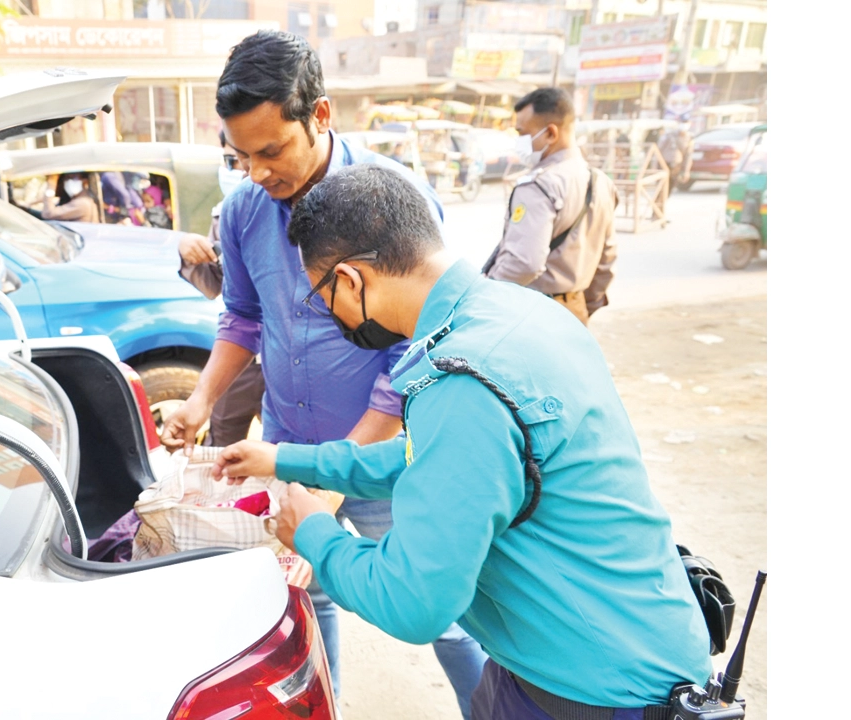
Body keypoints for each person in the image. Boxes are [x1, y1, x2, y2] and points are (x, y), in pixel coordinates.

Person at [213, 163, 714, 719]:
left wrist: (314, 533)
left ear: (351, 280)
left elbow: (413, 602)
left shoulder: (464, 381)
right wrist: (286, 459)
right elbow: (434, 460)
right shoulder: (518, 312)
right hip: (594, 647)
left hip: (594, 690)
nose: (328, 314)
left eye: (320, 297)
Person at [157, 29, 488, 716]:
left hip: (389, 454)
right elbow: (242, 317)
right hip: (289, 447)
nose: (256, 173)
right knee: (308, 595)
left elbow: (413, 351)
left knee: (449, 614)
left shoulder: (392, 200)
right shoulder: (244, 209)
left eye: (271, 150)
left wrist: (340, 473)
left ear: (321, 115)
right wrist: (200, 400)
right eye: (240, 156)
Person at [483, 87, 618, 326]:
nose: (519, 142)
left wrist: (487, 295)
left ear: (550, 133)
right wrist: (583, 304)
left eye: (522, 133)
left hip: (534, 313)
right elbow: (606, 259)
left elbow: (524, 263)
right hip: (575, 309)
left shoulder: (538, 186)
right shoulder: (601, 181)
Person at [176, 130, 265, 446]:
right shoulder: (226, 213)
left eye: (246, 157)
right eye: (231, 160)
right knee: (223, 440)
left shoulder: (293, 208)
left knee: (286, 450)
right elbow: (218, 287)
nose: (241, 168)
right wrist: (189, 253)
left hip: (285, 361)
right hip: (240, 358)